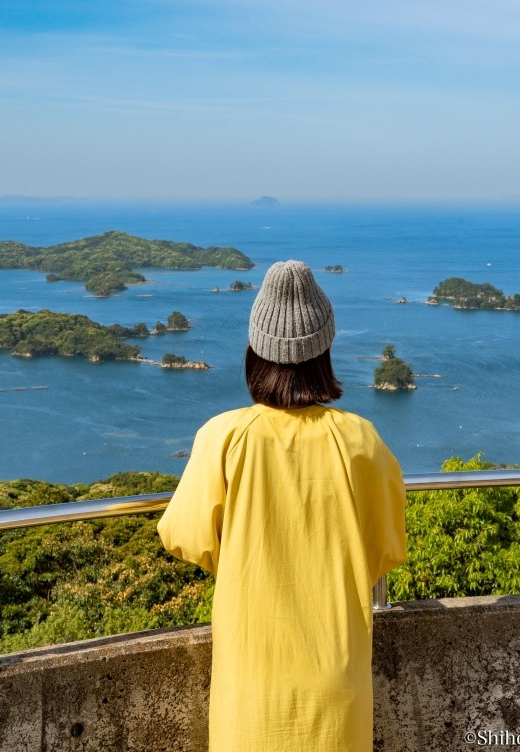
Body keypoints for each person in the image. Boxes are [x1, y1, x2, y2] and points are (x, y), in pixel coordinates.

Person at [157, 260, 407, 752]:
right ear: (325, 352)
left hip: (251, 684)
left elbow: (184, 536)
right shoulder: (359, 439)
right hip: (338, 680)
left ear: (255, 351)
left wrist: (242, 562)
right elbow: (385, 545)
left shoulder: (224, 437)